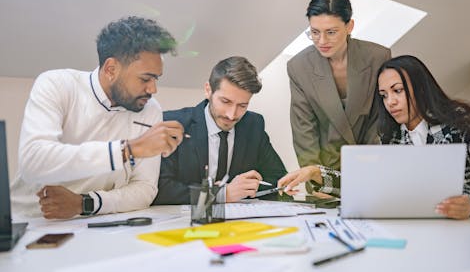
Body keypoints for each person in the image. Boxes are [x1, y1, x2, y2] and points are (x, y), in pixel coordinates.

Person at [279, 55, 470, 220]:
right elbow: (368, 185)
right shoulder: (393, 137)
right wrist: (317, 173)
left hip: (469, 229)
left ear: (421, 89)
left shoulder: (458, 122)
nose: (390, 102)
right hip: (422, 230)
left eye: (398, 91)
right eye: (384, 95)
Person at [11, 16, 185, 219]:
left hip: (97, 224)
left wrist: (85, 203)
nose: (153, 89)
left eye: (156, 79)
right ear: (111, 69)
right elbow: (34, 162)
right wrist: (128, 149)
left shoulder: (150, 110)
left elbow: (145, 189)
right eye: (145, 79)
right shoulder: (57, 85)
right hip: (28, 223)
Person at [287, 0, 391, 196]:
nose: (322, 41)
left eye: (331, 32)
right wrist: (317, 179)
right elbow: (304, 130)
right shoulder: (298, 67)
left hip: (371, 166)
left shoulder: (378, 57)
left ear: (349, 26)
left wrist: (367, 164)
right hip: (325, 171)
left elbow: (380, 119)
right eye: (314, 32)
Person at [152, 56, 287, 204]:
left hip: (239, 222)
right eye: (225, 101)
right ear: (208, 90)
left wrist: (250, 187)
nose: (232, 114)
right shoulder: (173, 124)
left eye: (242, 105)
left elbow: (278, 177)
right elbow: (159, 189)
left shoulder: (253, 125)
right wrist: (219, 194)